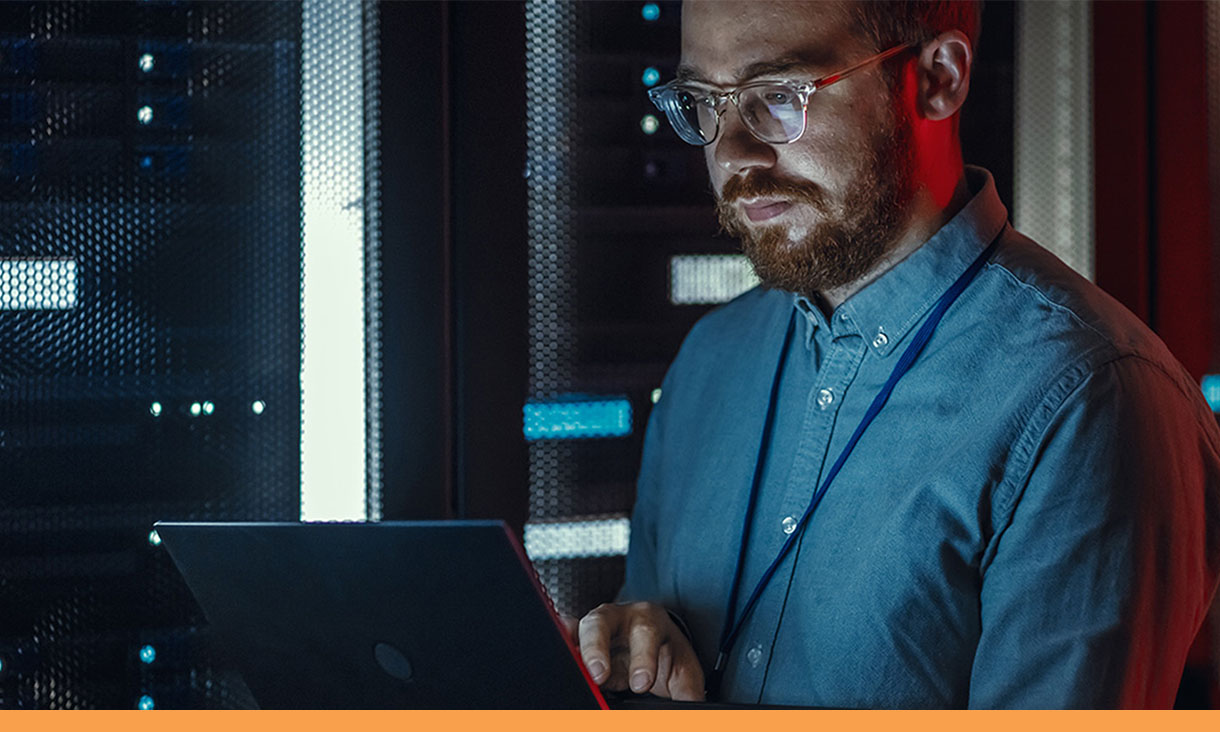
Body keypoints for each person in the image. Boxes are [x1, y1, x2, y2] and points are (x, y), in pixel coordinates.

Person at [569, 0, 1220, 708]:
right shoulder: (710, 361)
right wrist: (636, 660)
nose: (731, 154)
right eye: (703, 102)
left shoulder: (1094, 399)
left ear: (938, 78)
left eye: (780, 96)